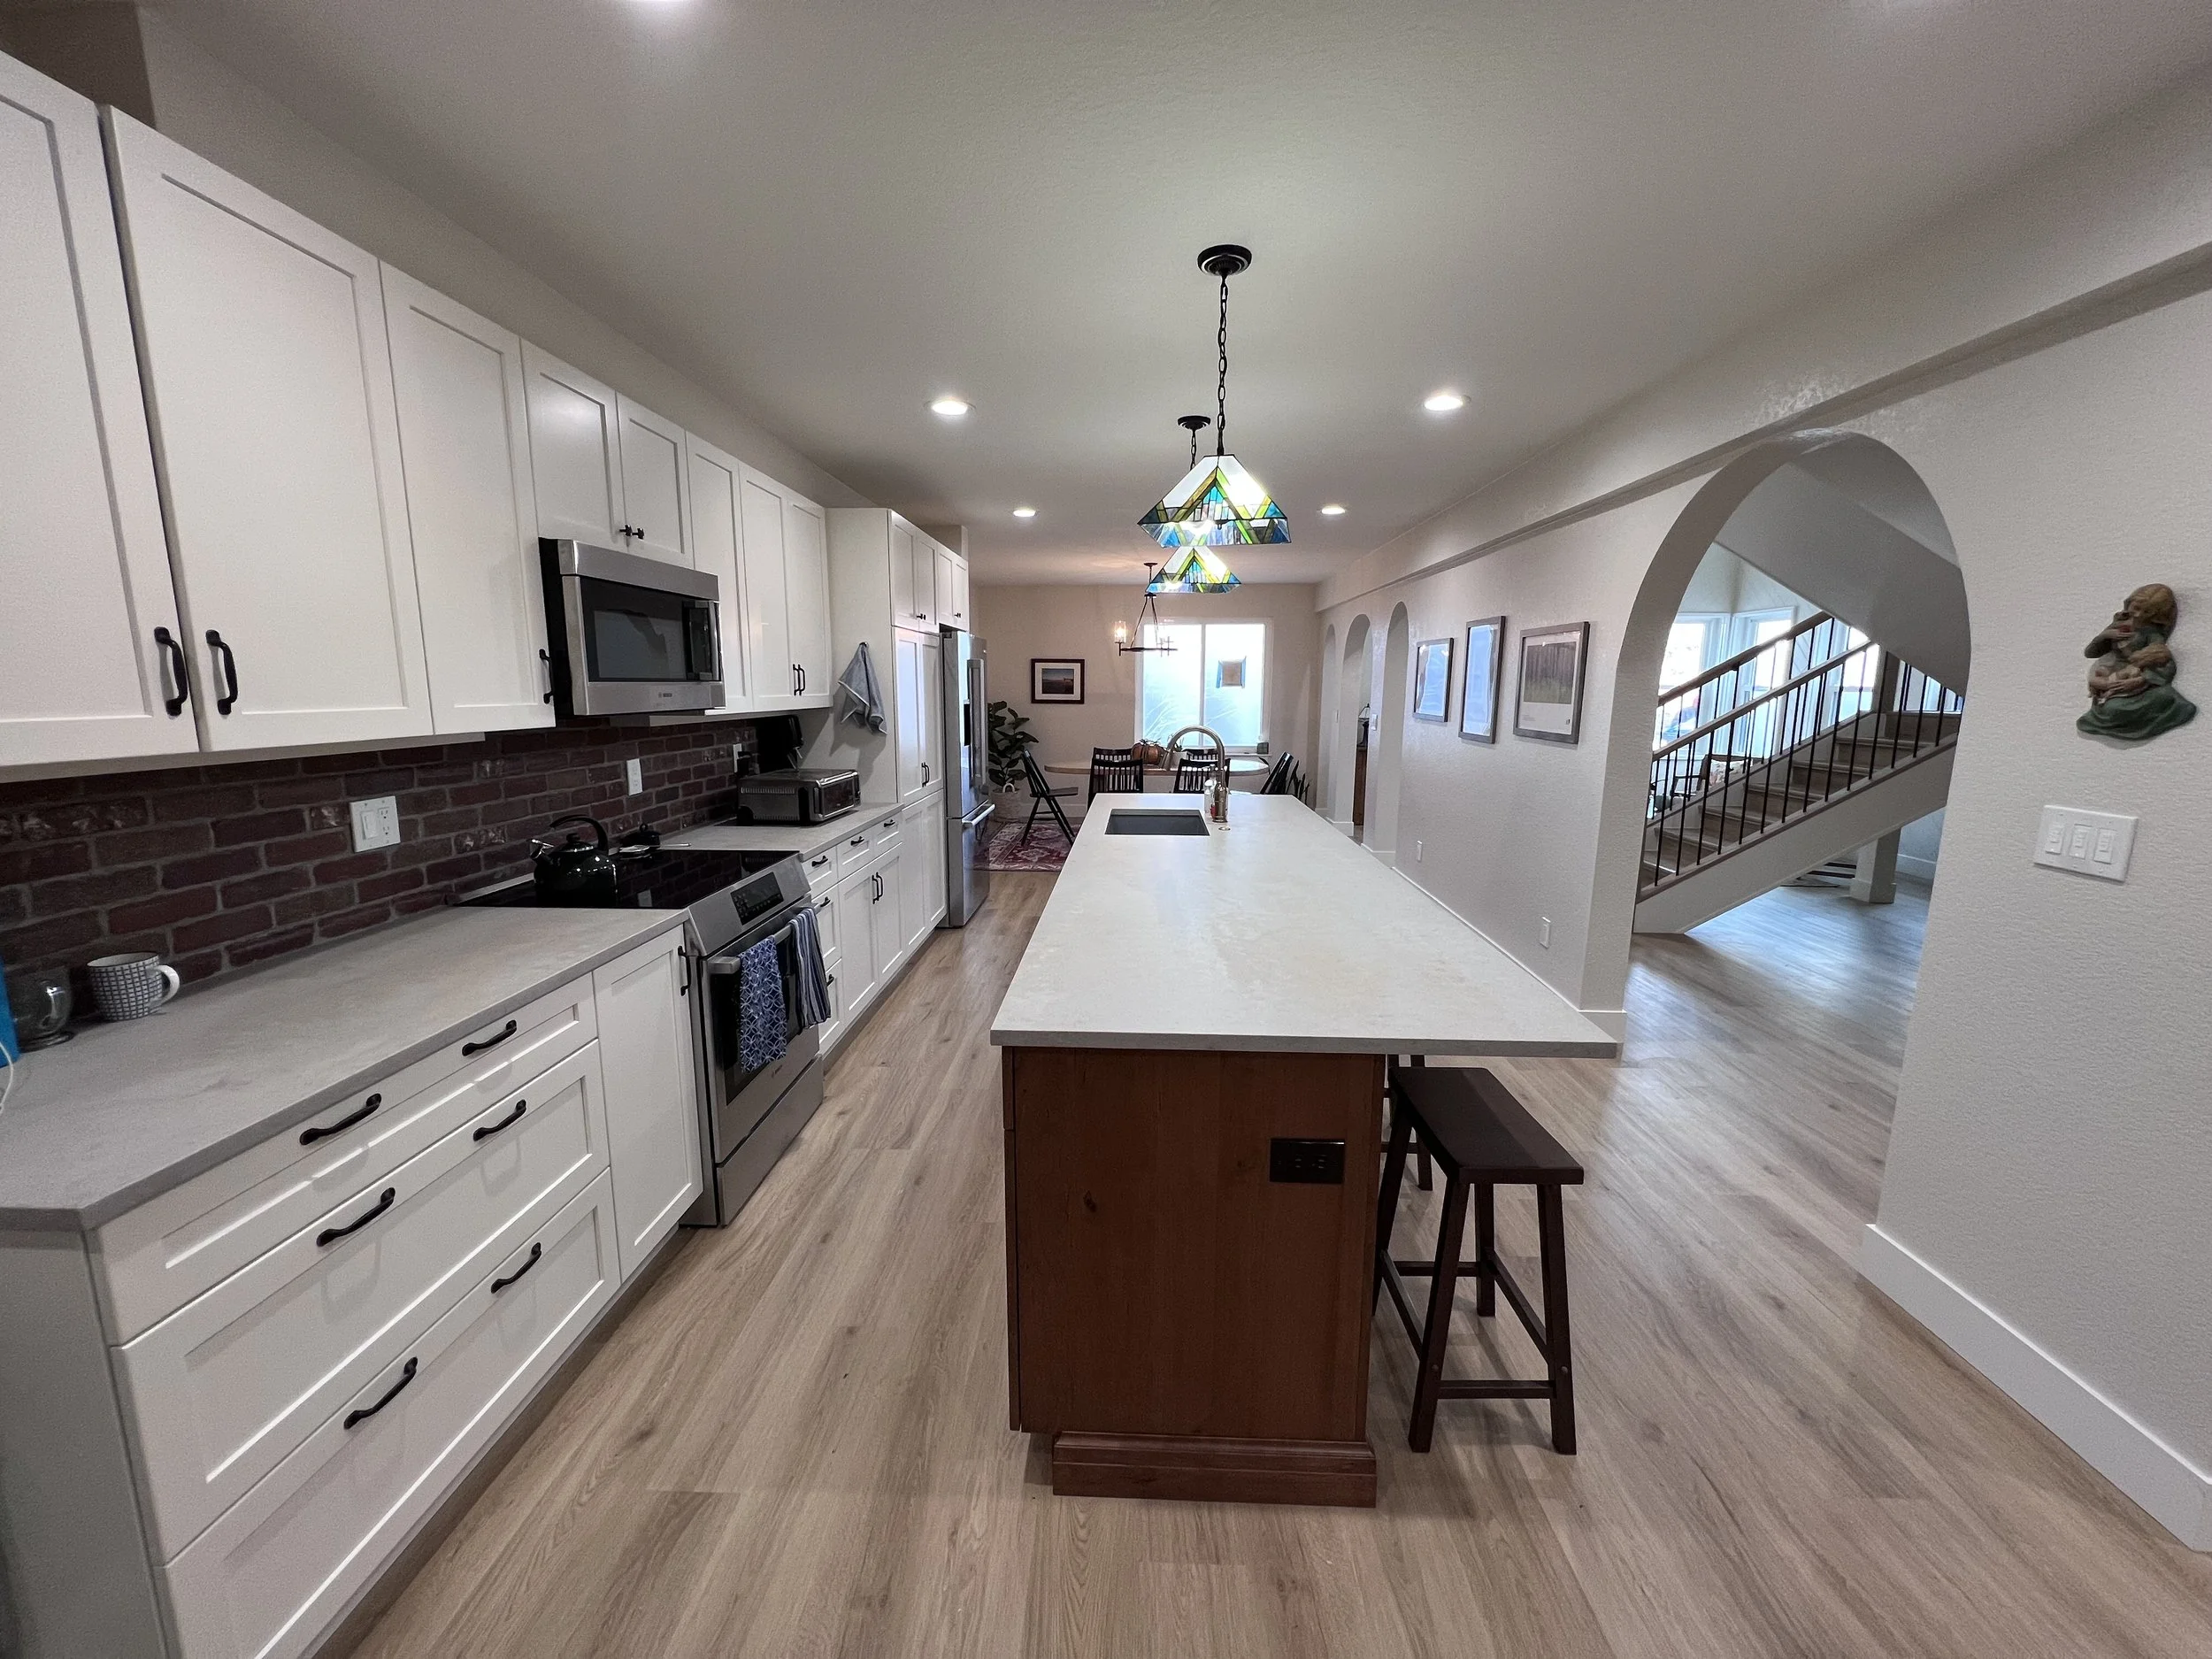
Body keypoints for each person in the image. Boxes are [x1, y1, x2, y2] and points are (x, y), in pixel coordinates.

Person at [2078, 583, 2196, 741]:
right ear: (2130, 603)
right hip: (2112, 673)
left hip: (2138, 679)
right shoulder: (2119, 626)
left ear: (2156, 614)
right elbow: (2091, 653)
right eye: (2136, 607)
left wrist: (2139, 680)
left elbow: (2162, 661)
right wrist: (2105, 636)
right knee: (2103, 695)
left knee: (2119, 708)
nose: (2138, 614)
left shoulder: (2151, 634)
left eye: (2146, 611)